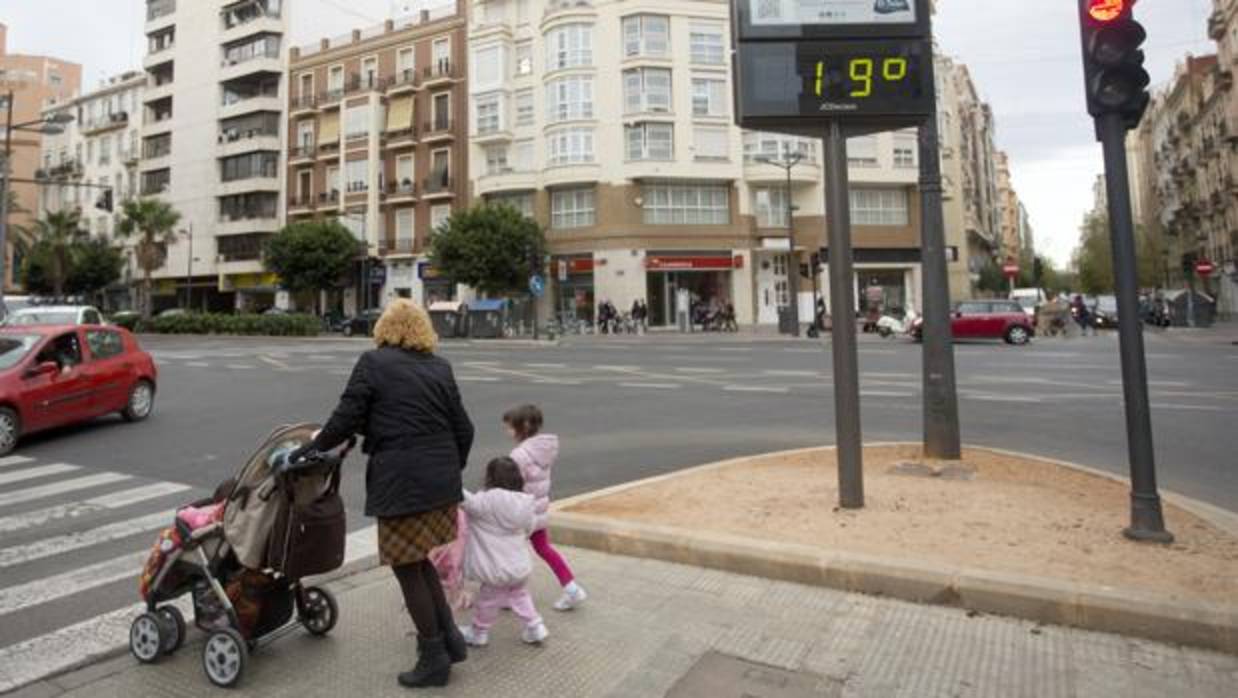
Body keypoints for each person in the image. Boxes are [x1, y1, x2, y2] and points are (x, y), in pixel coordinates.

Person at [294, 299, 474, 689]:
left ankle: (433, 657)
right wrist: (447, 469)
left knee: (406, 566)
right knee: (420, 560)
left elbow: (346, 417)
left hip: (402, 483)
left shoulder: (373, 363)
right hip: (440, 484)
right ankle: (451, 641)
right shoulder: (439, 367)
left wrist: (312, 448)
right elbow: (466, 429)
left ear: (386, 329)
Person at [503, 404, 588, 611]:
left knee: (510, 552)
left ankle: (510, 595)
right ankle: (572, 588)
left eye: (509, 427)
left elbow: (512, 484)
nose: (507, 431)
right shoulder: (543, 449)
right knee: (544, 548)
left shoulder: (519, 455)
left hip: (522, 514)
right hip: (538, 510)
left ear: (522, 427)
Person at [457, 457, 548, 646]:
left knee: (487, 601)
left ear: (490, 478)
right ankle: (535, 626)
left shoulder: (485, 501)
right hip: (519, 567)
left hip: (496, 570)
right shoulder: (525, 503)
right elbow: (530, 527)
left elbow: (463, 499)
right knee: (521, 595)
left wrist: (448, 477)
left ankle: (478, 632)